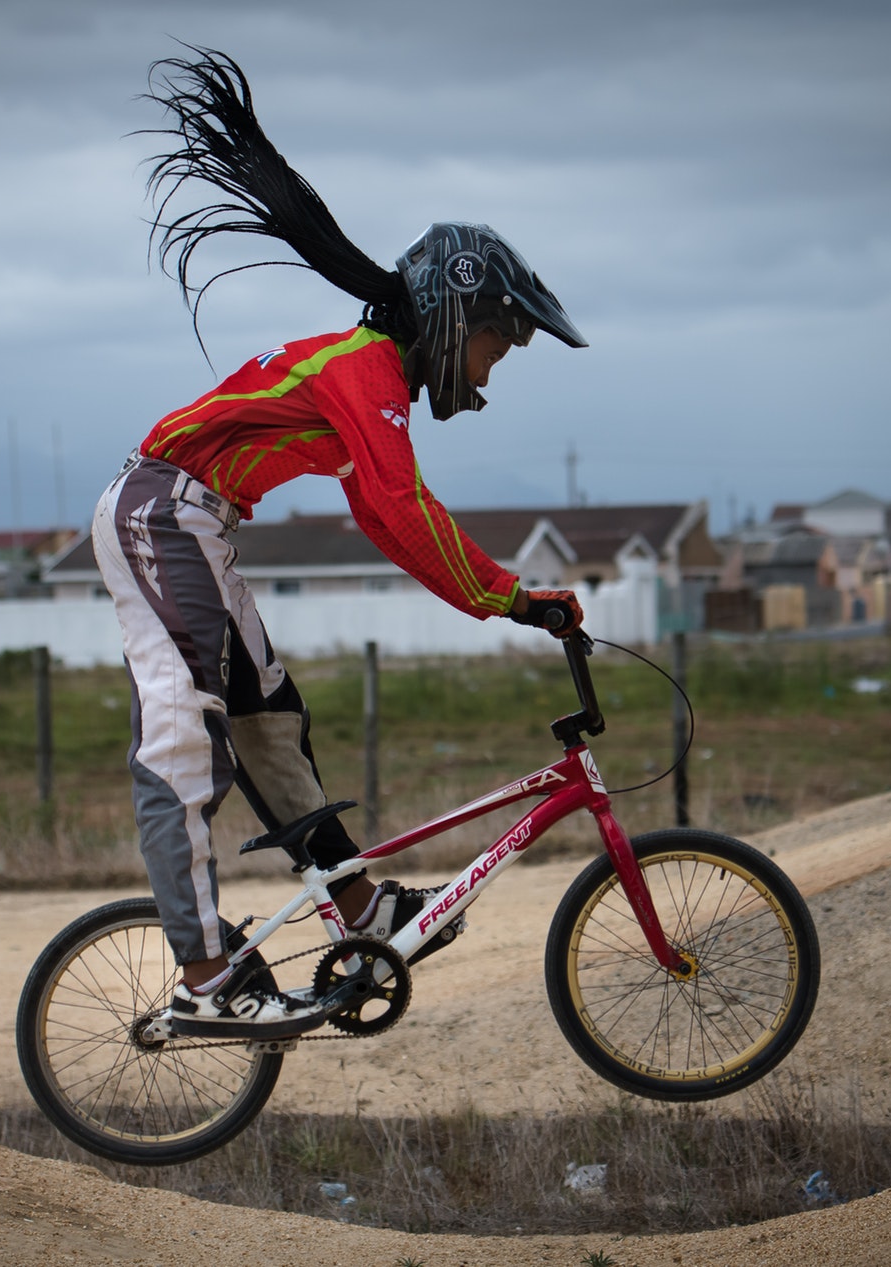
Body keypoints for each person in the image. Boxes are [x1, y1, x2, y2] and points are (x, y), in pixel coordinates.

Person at [93, 49, 588, 1038]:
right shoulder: (363, 372)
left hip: (197, 521)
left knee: (271, 723)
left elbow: (387, 510)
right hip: (157, 513)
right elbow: (402, 515)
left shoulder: (374, 386)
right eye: (499, 343)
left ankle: (358, 911)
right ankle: (202, 972)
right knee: (188, 735)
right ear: (453, 321)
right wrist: (510, 599)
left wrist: (505, 593)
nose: (494, 368)